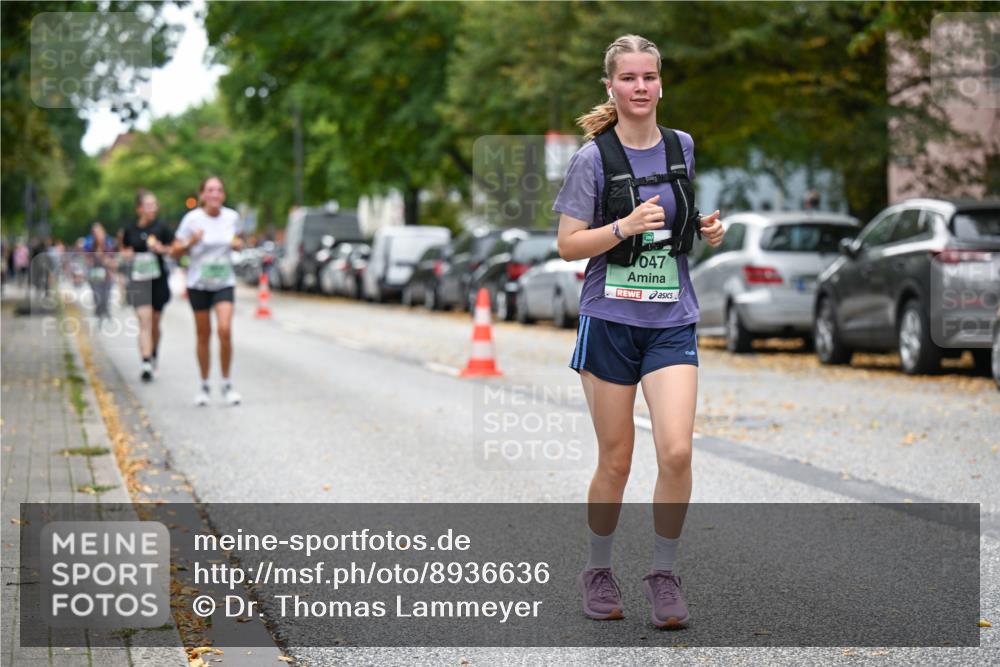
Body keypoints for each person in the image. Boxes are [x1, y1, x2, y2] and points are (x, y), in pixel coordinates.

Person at [554, 34, 725, 629]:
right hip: (610, 321)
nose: (642, 87)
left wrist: (705, 229)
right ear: (611, 86)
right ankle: (597, 570)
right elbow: (570, 244)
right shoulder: (593, 159)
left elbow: (680, 221)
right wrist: (622, 225)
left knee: (676, 450)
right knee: (617, 460)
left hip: (671, 319)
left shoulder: (682, 146)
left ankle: (663, 574)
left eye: (650, 76)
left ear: (660, 83)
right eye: (629, 78)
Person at [171, 176, 243, 406]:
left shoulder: (232, 217)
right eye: (210, 190)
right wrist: (191, 241)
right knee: (204, 335)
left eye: (219, 190)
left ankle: (226, 382)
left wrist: (238, 244)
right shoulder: (191, 220)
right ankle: (204, 384)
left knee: (225, 330)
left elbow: (239, 239)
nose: (215, 194)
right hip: (198, 284)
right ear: (202, 194)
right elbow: (175, 251)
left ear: (223, 195)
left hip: (224, 282)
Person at [120, 189, 174, 382]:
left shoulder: (162, 228)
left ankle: (153, 354)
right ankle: (145, 362)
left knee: (155, 323)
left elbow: (174, 249)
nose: (153, 209)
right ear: (139, 208)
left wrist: (161, 249)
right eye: (148, 205)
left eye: (155, 205)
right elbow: (124, 249)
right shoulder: (130, 230)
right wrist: (127, 255)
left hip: (158, 280)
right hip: (139, 280)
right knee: (145, 321)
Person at [85, 224, 114, 322]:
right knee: (98, 295)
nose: (98, 235)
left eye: (99, 232)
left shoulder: (109, 244)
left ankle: (105, 311)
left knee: (106, 295)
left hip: (107, 274)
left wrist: (107, 261)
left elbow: (113, 260)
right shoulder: (90, 244)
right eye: (95, 233)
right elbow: (87, 259)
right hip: (96, 274)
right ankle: (99, 312)